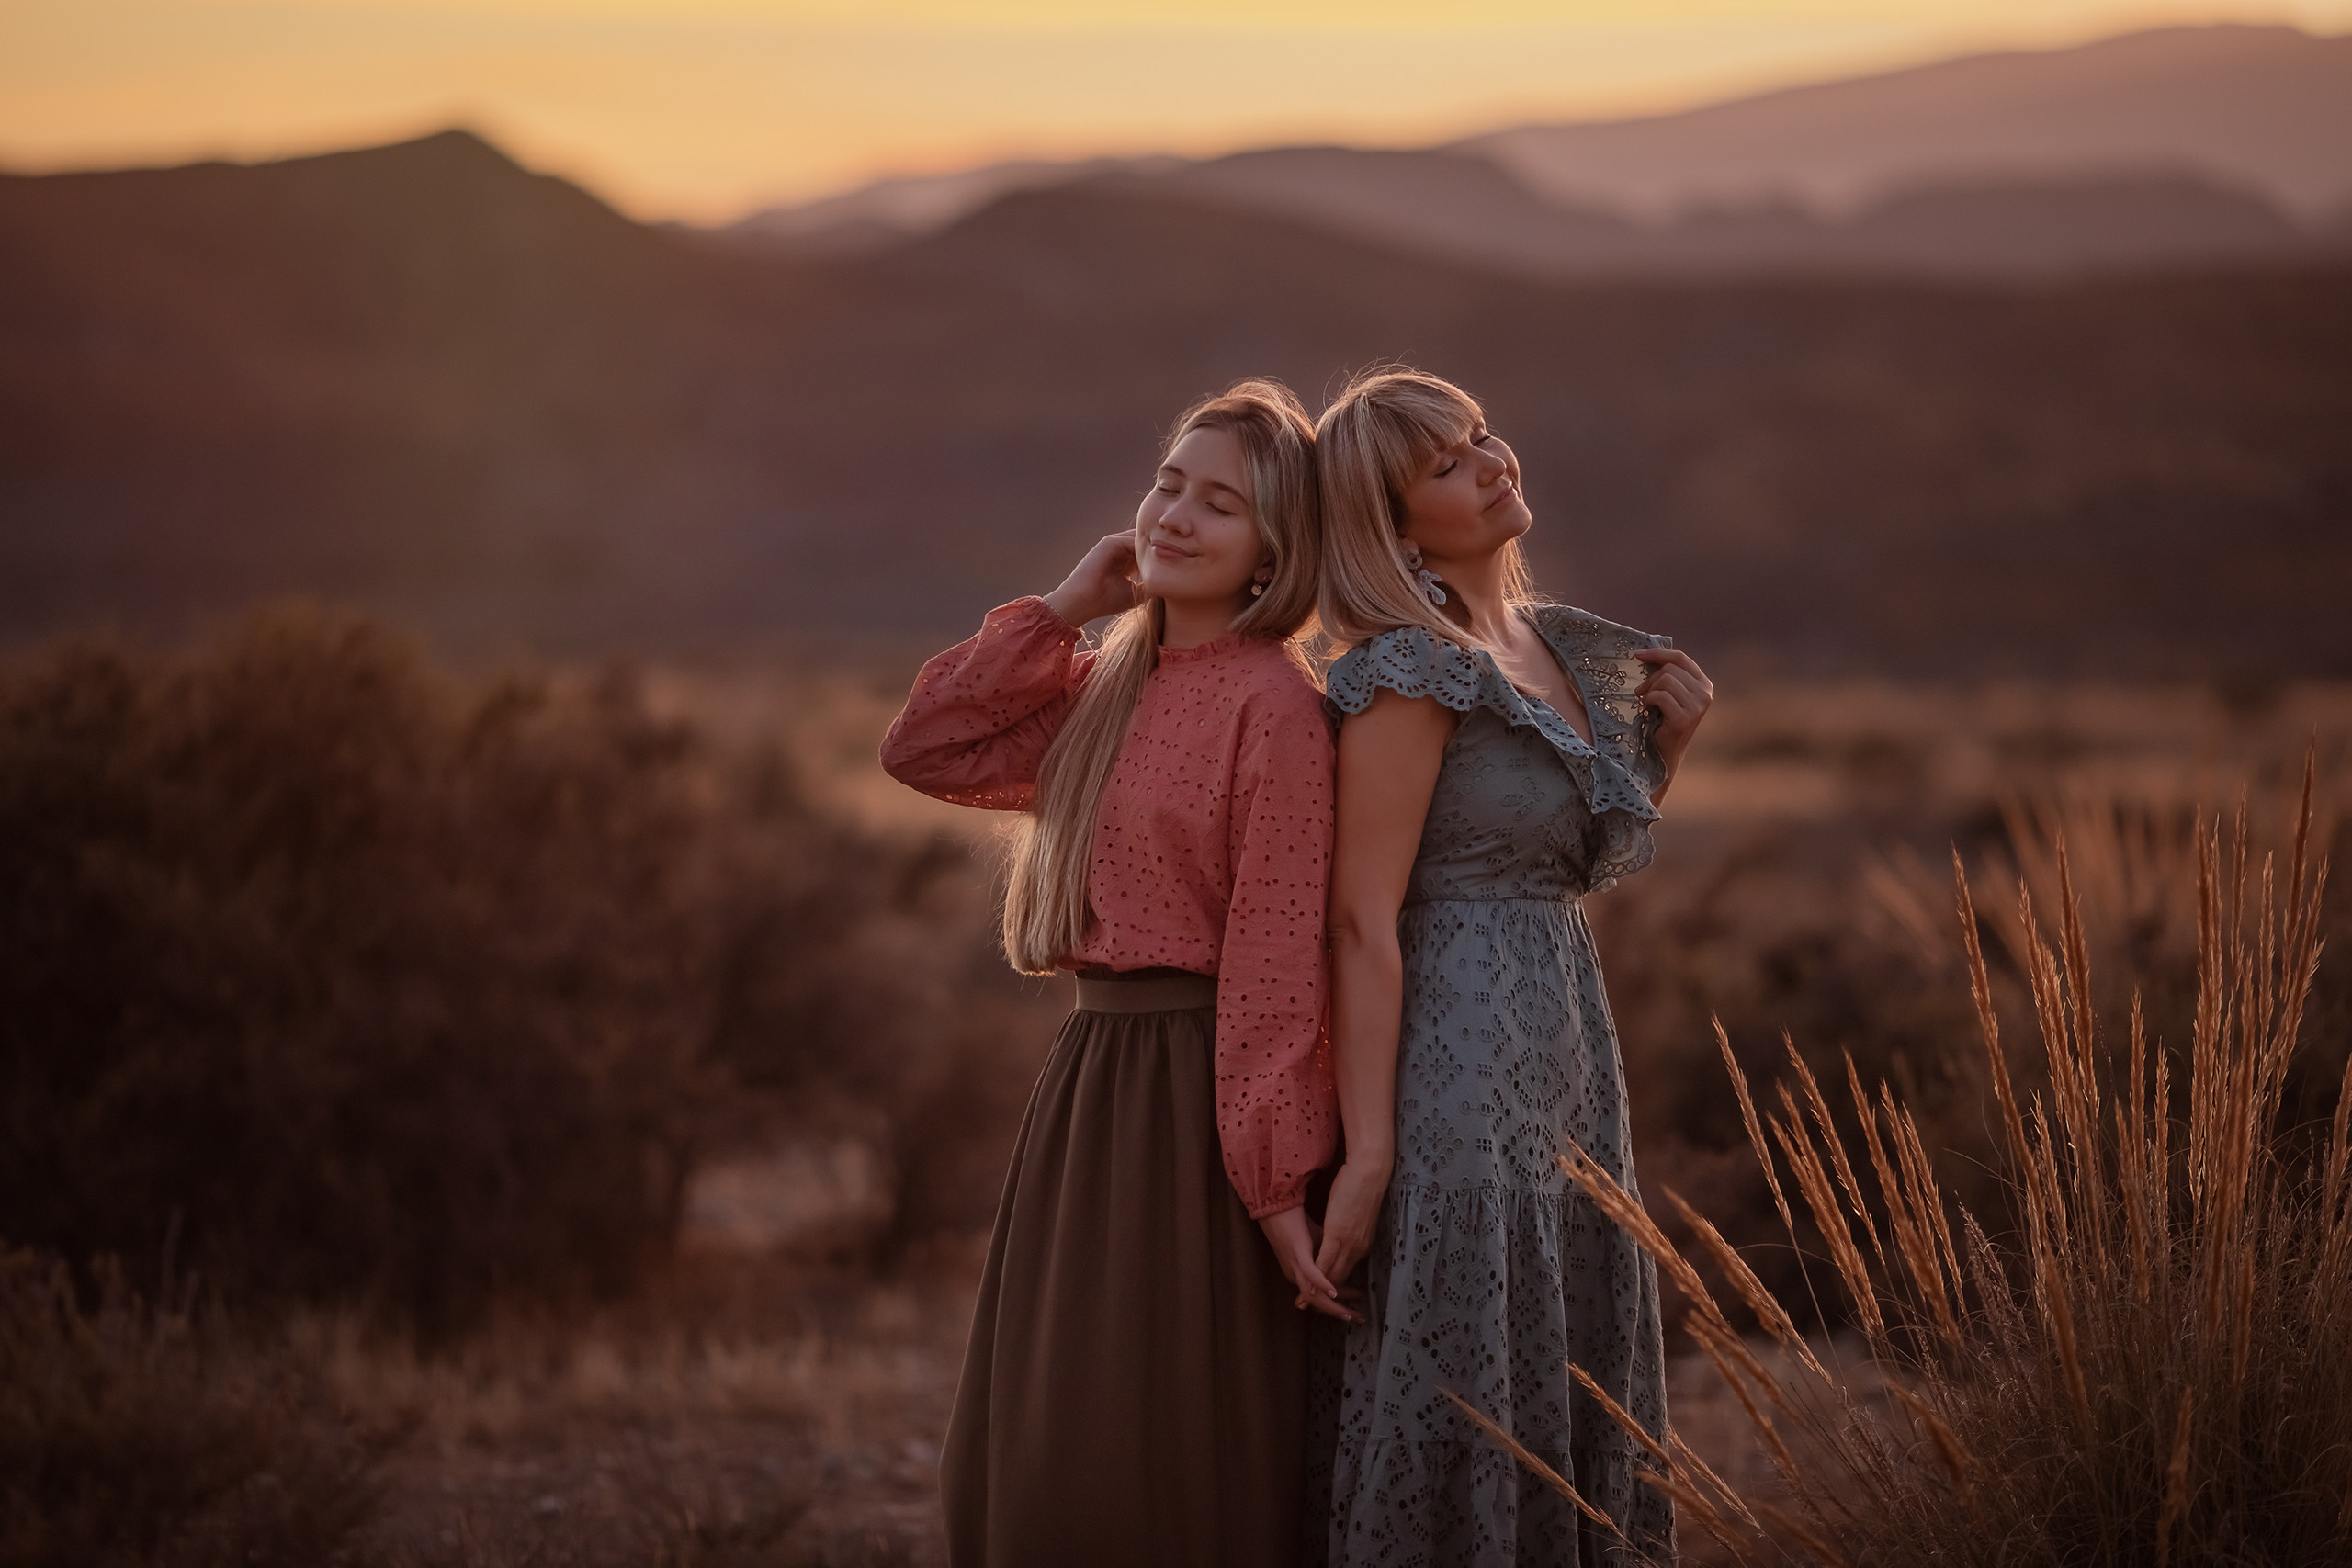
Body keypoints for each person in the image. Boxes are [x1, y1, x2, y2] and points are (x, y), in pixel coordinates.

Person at [879, 380, 1351, 1568]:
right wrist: (1060, 611)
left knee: (1155, 1437)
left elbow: (1277, 962)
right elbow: (926, 746)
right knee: (1054, 1422)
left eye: (1221, 506)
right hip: (1090, 1077)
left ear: (1275, 549)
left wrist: (1276, 1182)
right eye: (1169, 485)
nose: (1176, 518)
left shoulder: (1278, 707)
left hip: (1200, 1099)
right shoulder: (1099, 685)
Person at [1304, 368, 1713, 1566]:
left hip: (1566, 1041)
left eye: (1481, 436)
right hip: (1454, 1059)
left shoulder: (1545, 645)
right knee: (1469, 1327)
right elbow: (1359, 919)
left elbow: (1566, 862)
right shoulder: (1408, 668)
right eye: (1447, 463)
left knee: (1569, 1321)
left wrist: (1664, 752)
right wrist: (1371, 1151)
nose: (1493, 462)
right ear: (1391, 523)